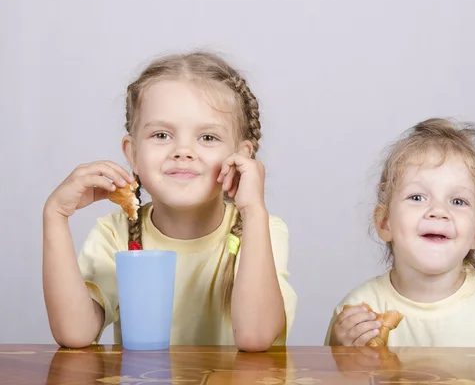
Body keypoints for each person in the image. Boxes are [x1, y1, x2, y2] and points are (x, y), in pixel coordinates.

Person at [42, 50, 297, 352]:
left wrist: (254, 210)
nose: (183, 151)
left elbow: (255, 337)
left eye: (208, 138)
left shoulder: (262, 229)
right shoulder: (115, 234)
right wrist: (55, 216)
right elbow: (75, 333)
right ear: (132, 153)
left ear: (241, 156)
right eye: (162, 135)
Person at [325, 118, 475, 347]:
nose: (438, 211)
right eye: (417, 198)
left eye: (458, 201)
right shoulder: (357, 311)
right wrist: (340, 354)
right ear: (385, 222)